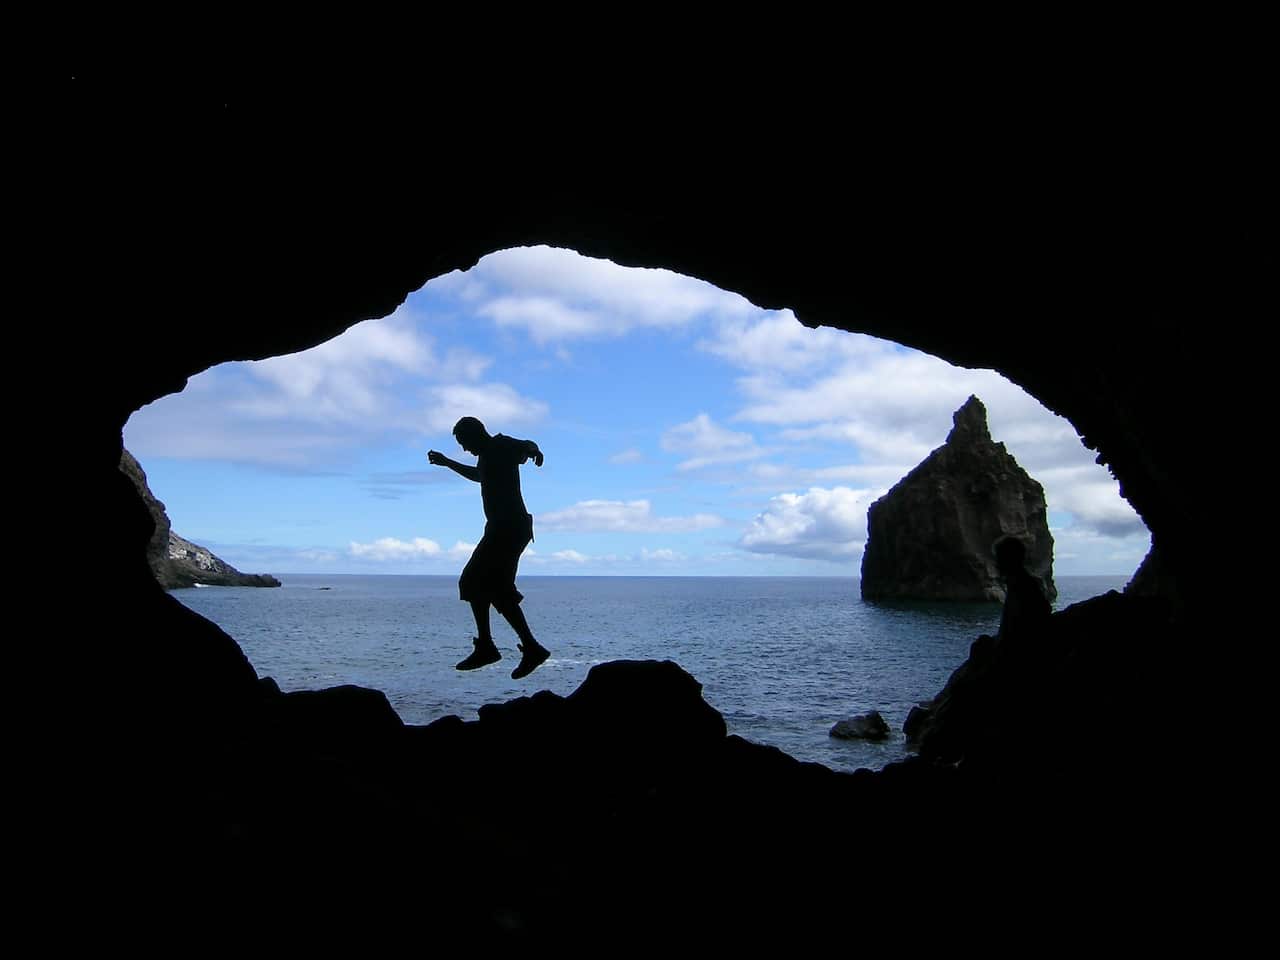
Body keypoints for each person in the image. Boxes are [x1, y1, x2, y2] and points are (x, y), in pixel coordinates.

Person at [427, 416, 551, 679]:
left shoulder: (502, 445)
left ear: (476, 435)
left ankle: (489, 647)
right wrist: (448, 463)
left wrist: (534, 451)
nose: (464, 449)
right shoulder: (486, 456)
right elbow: (479, 476)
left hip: (508, 528)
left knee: (472, 581)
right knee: (497, 590)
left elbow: (527, 443)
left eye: (464, 443)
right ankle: (529, 648)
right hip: (502, 528)